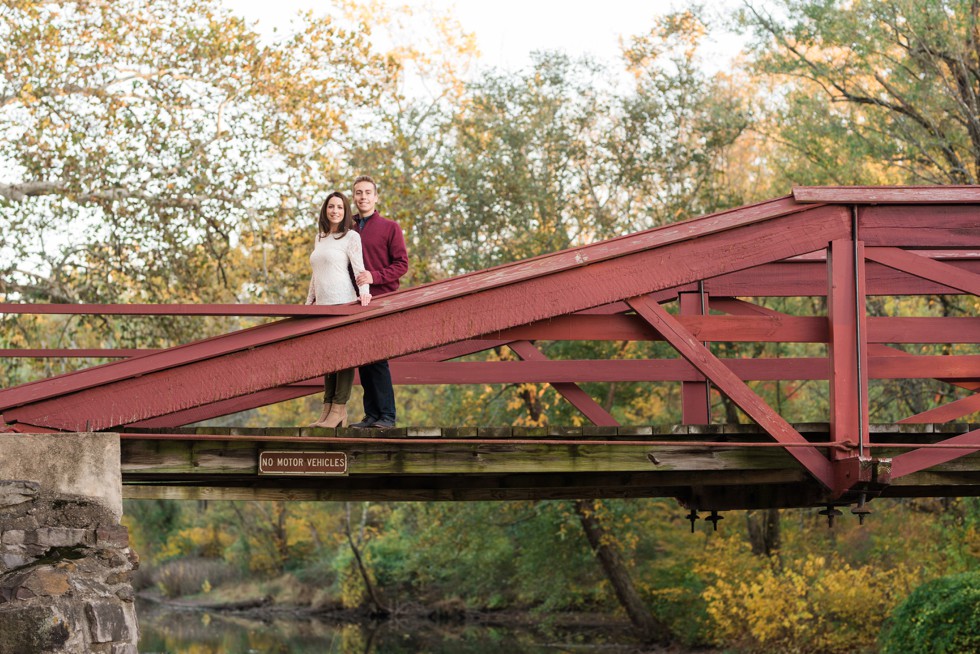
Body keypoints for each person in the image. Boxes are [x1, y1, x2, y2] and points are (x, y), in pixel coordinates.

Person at [306, 191, 372, 429]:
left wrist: (364, 292)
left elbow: (359, 267)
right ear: (325, 210)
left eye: (340, 207)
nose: (335, 210)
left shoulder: (351, 236)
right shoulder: (320, 238)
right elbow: (316, 275)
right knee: (327, 359)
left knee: (342, 358)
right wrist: (309, 303)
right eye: (331, 206)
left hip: (343, 301)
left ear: (345, 212)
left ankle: (339, 409)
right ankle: (327, 410)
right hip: (323, 306)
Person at [349, 174, 408, 429]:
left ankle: (387, 416)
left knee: (378, 357)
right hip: (352, 302)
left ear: (376, 197)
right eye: (359, 193)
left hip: (381, 300)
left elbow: (402, 265)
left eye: (368, 193)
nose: (363, 197)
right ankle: (371, 415)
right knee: (362, 358)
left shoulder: (390, 227)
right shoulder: (347, 230)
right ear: (354, 197)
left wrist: (375, 276)